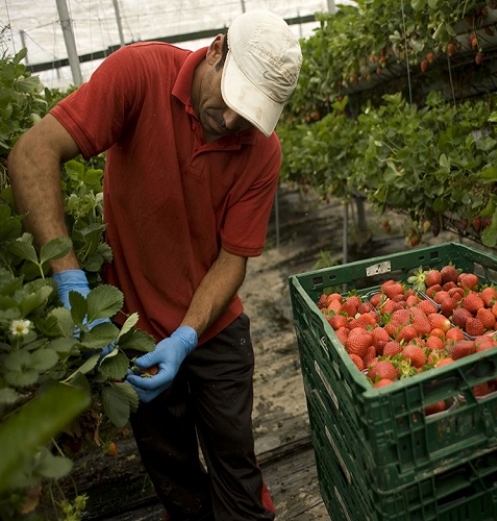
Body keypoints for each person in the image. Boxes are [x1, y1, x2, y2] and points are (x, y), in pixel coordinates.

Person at [8, 9, 302, 520]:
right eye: (232, 100)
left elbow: (233, 259)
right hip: (133, 336)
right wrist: (72, 282)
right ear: (215, 49)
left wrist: (187, 334)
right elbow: (32, 154)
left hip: (213, 329)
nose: (233, 121)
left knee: (238, 478)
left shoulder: (263, 151)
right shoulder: (138, 75)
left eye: (251, 114)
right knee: (176, 483)